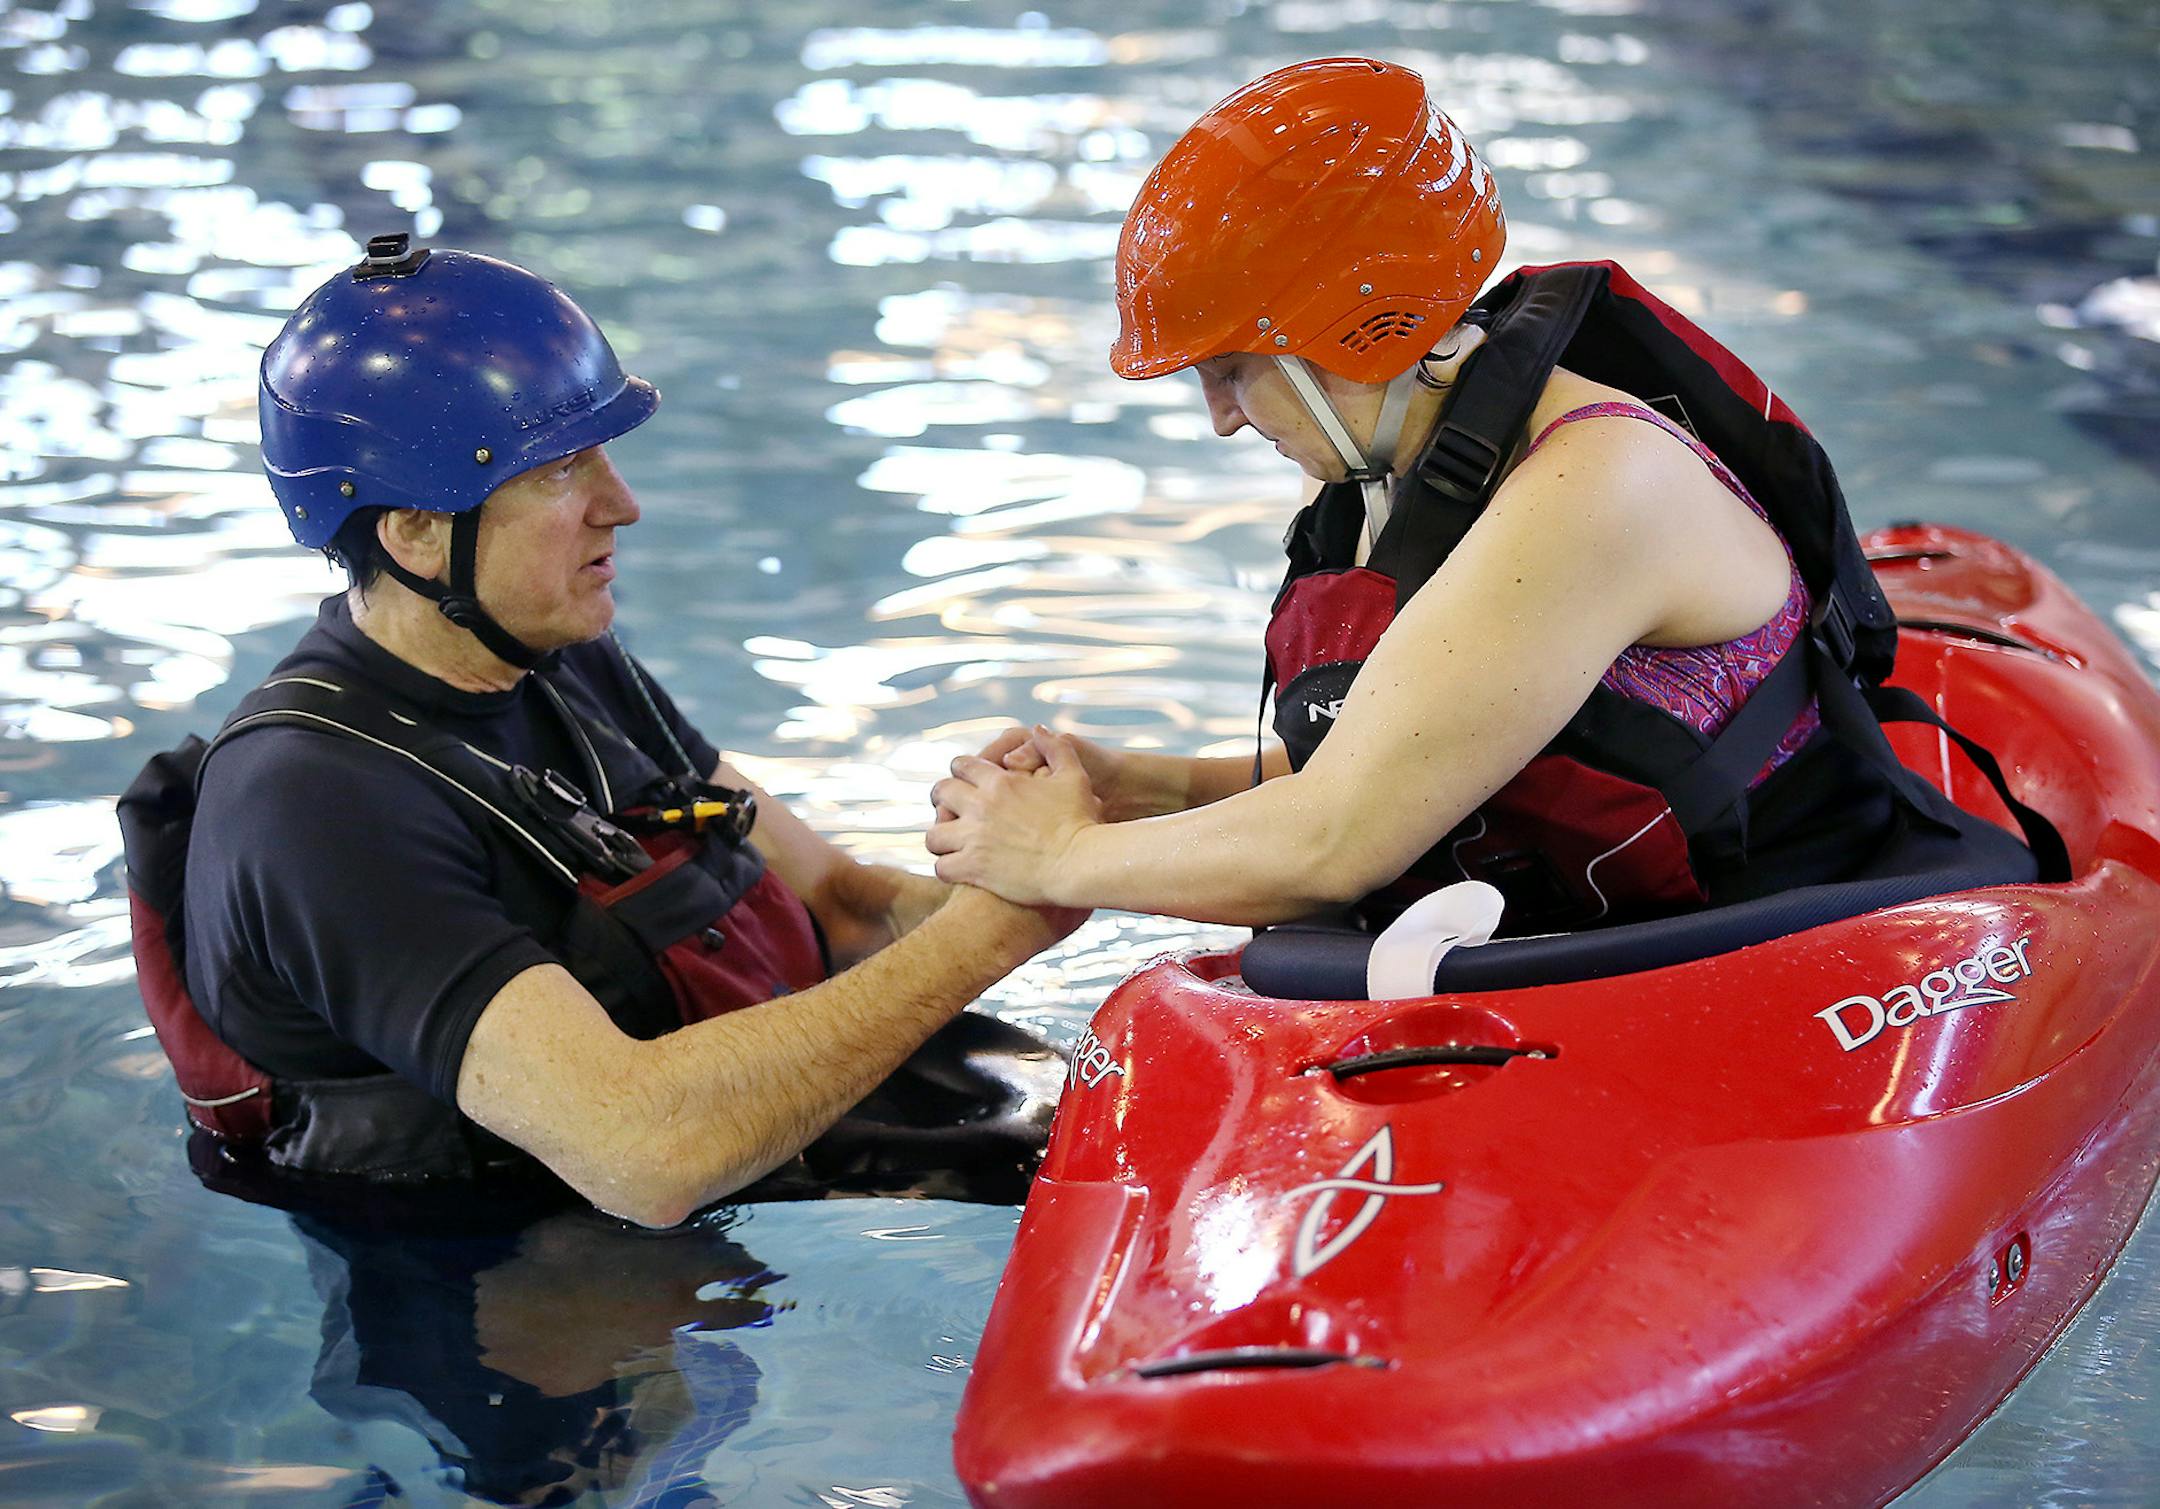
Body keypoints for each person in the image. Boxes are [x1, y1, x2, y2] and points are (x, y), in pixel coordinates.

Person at [926, 57, 2047, 938]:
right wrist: (1143, 784)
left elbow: (1336, 843)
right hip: (1620, 925)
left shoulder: (1597, 486)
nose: (1222, 415)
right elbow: (1434, 753)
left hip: (1795, 936)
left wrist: (1058, 859)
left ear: (1347, 334)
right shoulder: (1424, 457)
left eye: (1231, 368)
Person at [121, 234, 1080, 1229]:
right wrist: (989, 935)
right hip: (514, 1289)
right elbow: (640, 1152)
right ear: (411, 530)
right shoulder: (319, 805)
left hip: (752, 1168)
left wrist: (1069, 866)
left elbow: (839, 906)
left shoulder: (555, 657)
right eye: (561, 470)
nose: (622, 506)